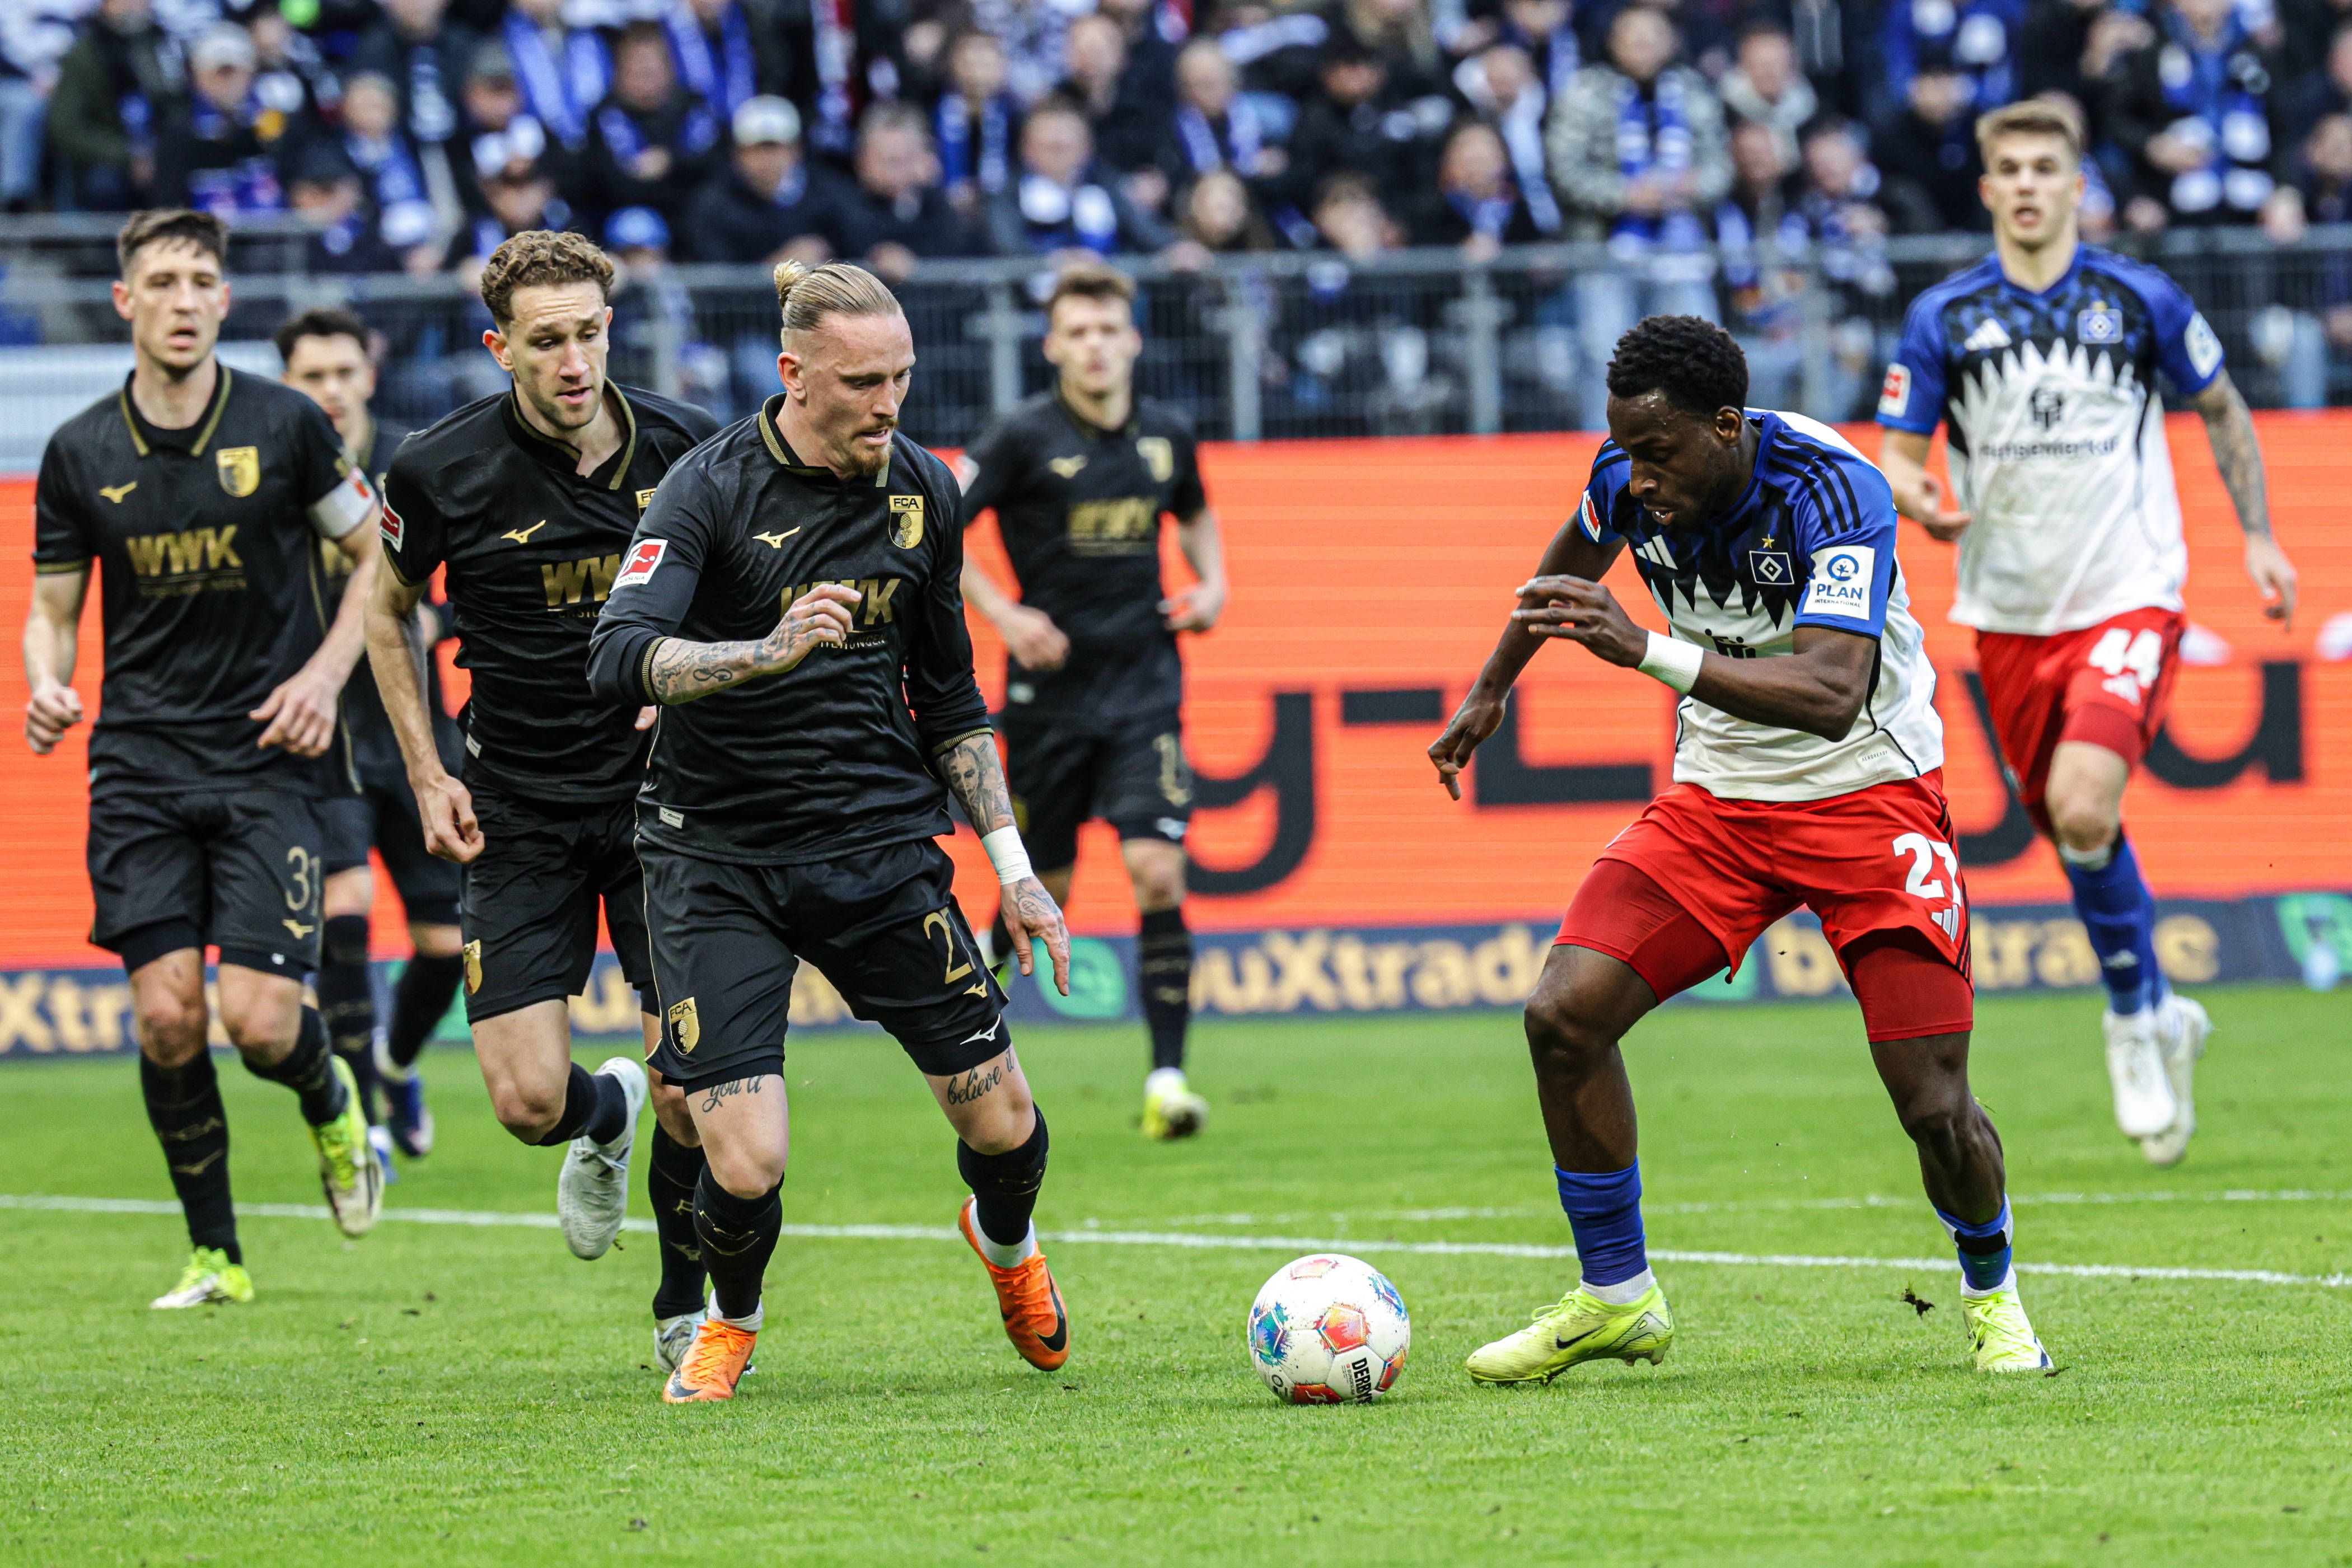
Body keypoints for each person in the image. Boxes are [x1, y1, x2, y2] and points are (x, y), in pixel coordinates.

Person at [1427, 313, 2052, 1382]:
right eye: (1623, 449)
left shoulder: (1832, 490)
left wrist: (1646, 650)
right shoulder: (1628, 474)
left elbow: (1826, 692)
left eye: (1658, 452)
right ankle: (1617, 1297)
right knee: (1562, 1015)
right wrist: (1488, 691)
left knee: (1935, 1106)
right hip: (1719, 802)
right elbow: (1564, 574)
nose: (1638, 476)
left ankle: (1992, 1292)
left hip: (1870, 797)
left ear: (1725, 426)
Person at [585, 260, 1076, 1404]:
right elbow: (616, 655)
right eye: (863, 382)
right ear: (792, 375)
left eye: (901, 377)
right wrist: (764, 648)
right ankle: (731, 1321)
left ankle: (1005, 1250)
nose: (889, 403)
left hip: (878, 851)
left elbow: (950, 700)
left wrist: (1016, 871)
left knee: (1005, 1124)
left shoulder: (926, 491)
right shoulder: (704, 490)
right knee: (745, 1160)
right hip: (717, 859)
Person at [1876, 99, 2298, 1166]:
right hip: (2011, 613)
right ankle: (2156, 998)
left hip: (2129, 591)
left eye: (2043, 168)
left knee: (2080, 799)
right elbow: (1894, 453)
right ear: (1985, 189)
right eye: (2006, 168)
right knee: (2076, 833)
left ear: (2076, 186)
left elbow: (2222, 407)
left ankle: (2126, 1020)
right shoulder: (1943, 317)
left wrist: (2257, 539)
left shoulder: (2138, 296)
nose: (2025, 184)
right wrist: (1922, 500)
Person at [362, 230, 724, 1374]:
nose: (574, 361)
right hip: (514, 803)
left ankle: (684, 1307)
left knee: (692, 1084)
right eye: (547, 341)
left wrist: (692, 683)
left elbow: (744, 583)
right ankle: (595, 1119)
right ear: (501, 348)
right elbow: (387, 612)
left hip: (666, 805)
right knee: (525, 1102)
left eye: (589, 334)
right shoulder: (437, 467)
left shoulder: (687, 448)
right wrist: (426, 770)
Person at [23, 209, 385, 1308]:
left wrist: (325, 679)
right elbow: (51, 609)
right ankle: (217, 1256)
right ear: (126, 303)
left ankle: (329, 1101)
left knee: (260, 1023)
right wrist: (45, 677)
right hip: (137, 766)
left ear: (225, 302)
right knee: (168, 1017)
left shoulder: (283, 426)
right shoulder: (79, 449)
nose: (183, 300)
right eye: (162, 282)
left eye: (202, 282)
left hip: (266, 758)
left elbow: (373, 555)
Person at [956, 261, 1227, 1140]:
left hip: (1146, 685)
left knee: (1158, 870)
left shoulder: (1168, 434)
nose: (1095, 346)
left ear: (1133, 338)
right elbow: (935, 526)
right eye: (1077, 332)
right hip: (1048, 701)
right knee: (1047, 886)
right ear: (1052, 347)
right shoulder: (1020, 437)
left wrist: (1213, 584)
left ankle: (1167, 1080)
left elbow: (1192, 511)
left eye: (1107, 329)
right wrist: (1004, 611)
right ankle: (968, 1045)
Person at [277, 307, 466, 1162]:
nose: (330, 389)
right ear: (289, 383)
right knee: (342, 913)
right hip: (323, 741)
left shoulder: (413, 466)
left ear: (369, 376)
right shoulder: (271, 475)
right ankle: (366, 1124)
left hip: (413, 733)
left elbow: (485, 569)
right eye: (312, 375)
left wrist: (437, 620)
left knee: (442, 944)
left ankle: (393, 1062)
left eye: (343, 372)